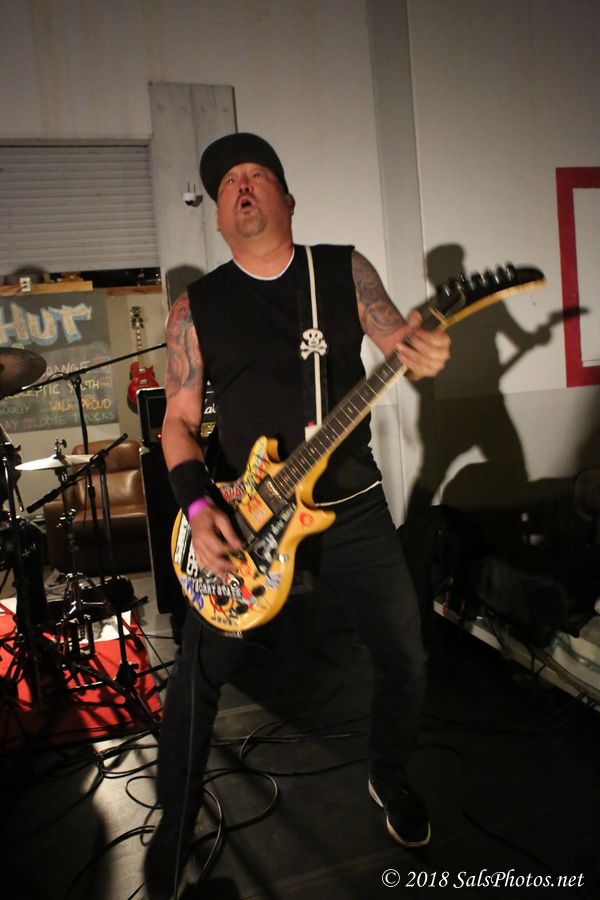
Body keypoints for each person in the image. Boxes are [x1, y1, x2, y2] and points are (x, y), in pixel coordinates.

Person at [144, 133, 451, 899]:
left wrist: (419, 346)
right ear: (219, 215)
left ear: (287, 198)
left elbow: (395, 337)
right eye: (228, 183)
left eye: (257, 175)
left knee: (406, 654)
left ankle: (389, 773)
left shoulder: (341, 270)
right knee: (196, 677)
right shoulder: (196, 308)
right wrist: (198, 503)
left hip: (349, 507)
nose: (242, 186)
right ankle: (175, 824)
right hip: (248, 517)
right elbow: (177, 422)